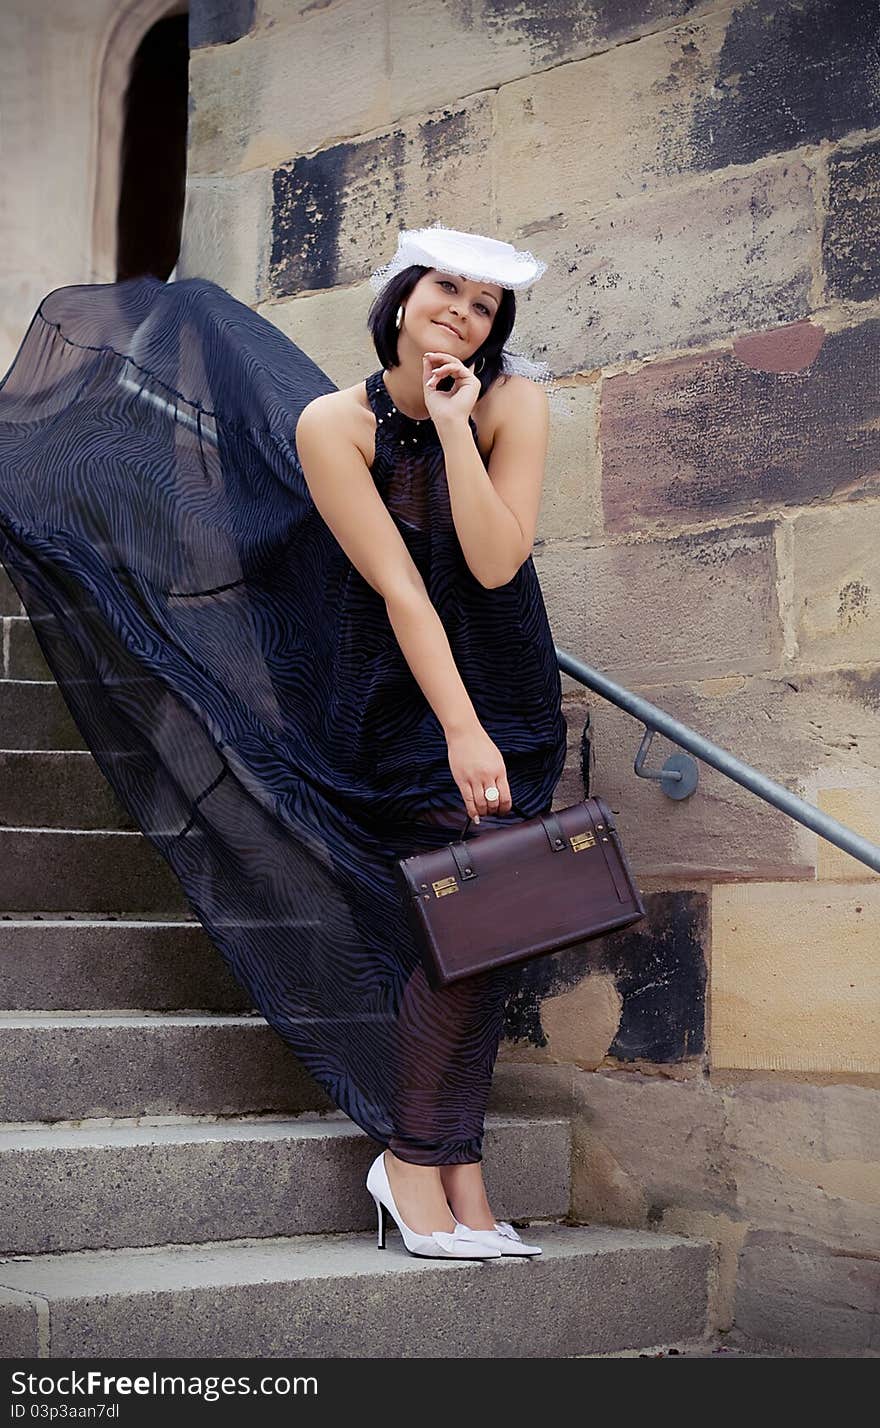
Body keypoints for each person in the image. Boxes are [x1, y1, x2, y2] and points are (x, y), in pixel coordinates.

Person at [0, 223, 567, 1262]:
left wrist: (452, 432)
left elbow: (492, 566)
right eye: (447, 289)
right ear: (403, 296)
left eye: (485, 306)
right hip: (405, 703)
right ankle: (415, 1166)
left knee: (491, 934)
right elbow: (401, 588)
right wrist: (456, 729)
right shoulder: (328, 425)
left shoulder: (512, 404)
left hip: (516, 692)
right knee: (462, 933)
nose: (464, 314)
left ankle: (453, 1169)